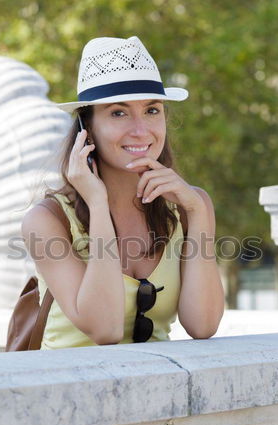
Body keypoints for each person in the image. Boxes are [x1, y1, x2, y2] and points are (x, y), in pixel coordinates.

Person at [22, 35, 225, 350]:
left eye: (152, 110)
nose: (141, 130)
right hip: (68, 392)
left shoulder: (189, 206)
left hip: (156, 392)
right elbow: (105, 330)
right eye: (119, 112)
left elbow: (203, 324)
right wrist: (98, 205)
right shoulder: (47, 220)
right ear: (86, 127)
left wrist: (197, 213)